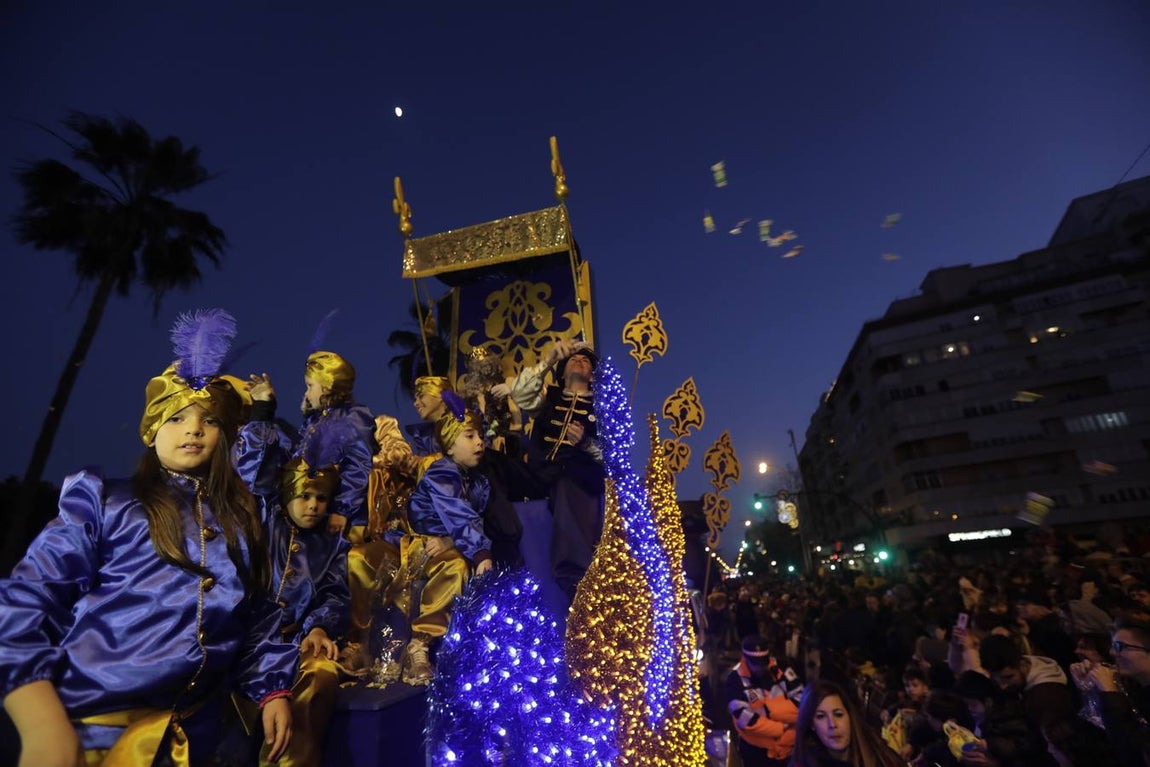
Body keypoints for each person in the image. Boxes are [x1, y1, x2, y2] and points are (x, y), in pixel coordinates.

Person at [0, 309, 296, 767]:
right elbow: (26, 598)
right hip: (97, 735)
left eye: (209, 420)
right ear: (152, 430)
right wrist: (41, 720)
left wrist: (272, 689)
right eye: (176, 418)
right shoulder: (104, 501)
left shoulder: (240, 518)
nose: (193, 428)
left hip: (200, 740)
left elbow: (254, 619)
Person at [235, 373, 352, 767]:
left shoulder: (332, 544)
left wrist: (319, 627)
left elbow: (335, 593)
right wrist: (262, 411)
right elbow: (251, 471)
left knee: (320, 676)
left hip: (298, 646)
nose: (313, 505)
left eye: (321, 497)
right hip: (248, 645)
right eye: (304, 495)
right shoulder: (264, 520)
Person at [387, 391, 493, 685]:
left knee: (456, 561)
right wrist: (480, 553)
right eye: (469, 436)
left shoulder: (476, 479)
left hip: (440, 544)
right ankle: (419, 643)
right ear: (449, 444)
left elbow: (470, 519)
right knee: (455, 566)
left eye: (480, 435)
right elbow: (459, 514)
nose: (479, 442)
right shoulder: (443, 473)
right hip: (416, 546)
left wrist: (450, 540)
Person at [505, 339, 605, 602]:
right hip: (538, 474)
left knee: (567, 482)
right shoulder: (548, 398)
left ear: (592, 375)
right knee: (496, 467)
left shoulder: (602, 408)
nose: (579, 360)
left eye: (586, 360)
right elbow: (521, 395)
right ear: (562, 372)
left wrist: (585, 443)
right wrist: (549, 359)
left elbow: (612, 455)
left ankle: (574, 581)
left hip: (576, 477)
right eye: (573, 358)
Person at [296, 350, 376, 536]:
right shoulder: (314, 421)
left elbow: (357, 465)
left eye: (310, 386)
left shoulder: (353, 418)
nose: (307, 393)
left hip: (342, 521)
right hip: (314, 512)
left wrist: (342, 510)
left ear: (326, 386)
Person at [1077, 617, 1150, 767]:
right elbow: (1108, 732)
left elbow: (1134, 751)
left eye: (1120, 646)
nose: (1112, 652)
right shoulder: (1134, 687)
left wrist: (1109, 693)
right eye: (1113, 646)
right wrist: (1089, 688)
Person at [726, 635, 803, 766]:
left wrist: (769, 711)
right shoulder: (734, 680)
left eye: (764, 662)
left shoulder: (781, 668)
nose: (761, 668)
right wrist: (782, 727)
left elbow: (802, 703)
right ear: (745, 659)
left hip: (789, 749)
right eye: (756, 664)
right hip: (756, 753)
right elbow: (746, 721)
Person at [789, 679, 904, 767]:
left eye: (838, 714)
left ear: (849, 716)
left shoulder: (880, 755)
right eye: (821, 717)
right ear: (811, 724)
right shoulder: (803, 763)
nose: (832, 724)